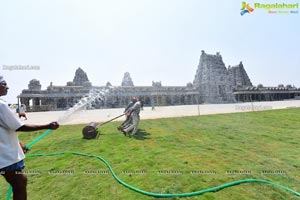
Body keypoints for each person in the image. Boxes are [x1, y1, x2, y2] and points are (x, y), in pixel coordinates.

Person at [0, 76, 59, 200]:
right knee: (20, 183)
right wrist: (47, 125)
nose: (7, 87)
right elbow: (19, 126)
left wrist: (18, 142)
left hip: (5, 153)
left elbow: (5, 128)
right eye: (4, 84)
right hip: (6, 157)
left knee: (19, 181)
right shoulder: (1, 105)